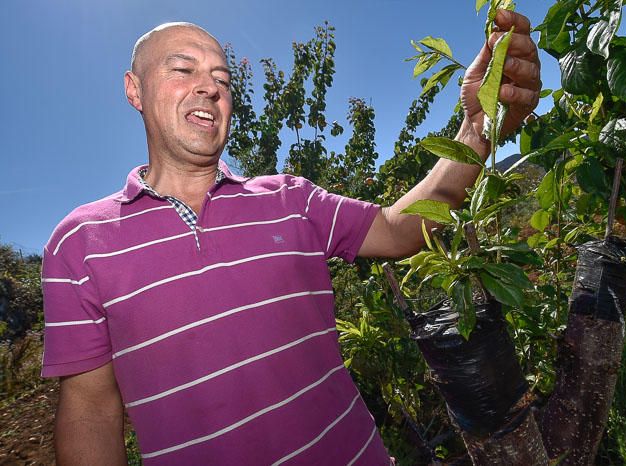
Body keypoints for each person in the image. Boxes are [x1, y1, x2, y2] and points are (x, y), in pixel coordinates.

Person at [41, 10, 540, 465]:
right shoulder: (80, 243)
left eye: (222, 78)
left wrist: (479, 128)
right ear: (134, 89)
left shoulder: (291, 198)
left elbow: (399, 229)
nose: (209, 87)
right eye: (183, 69)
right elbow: (91, 412)